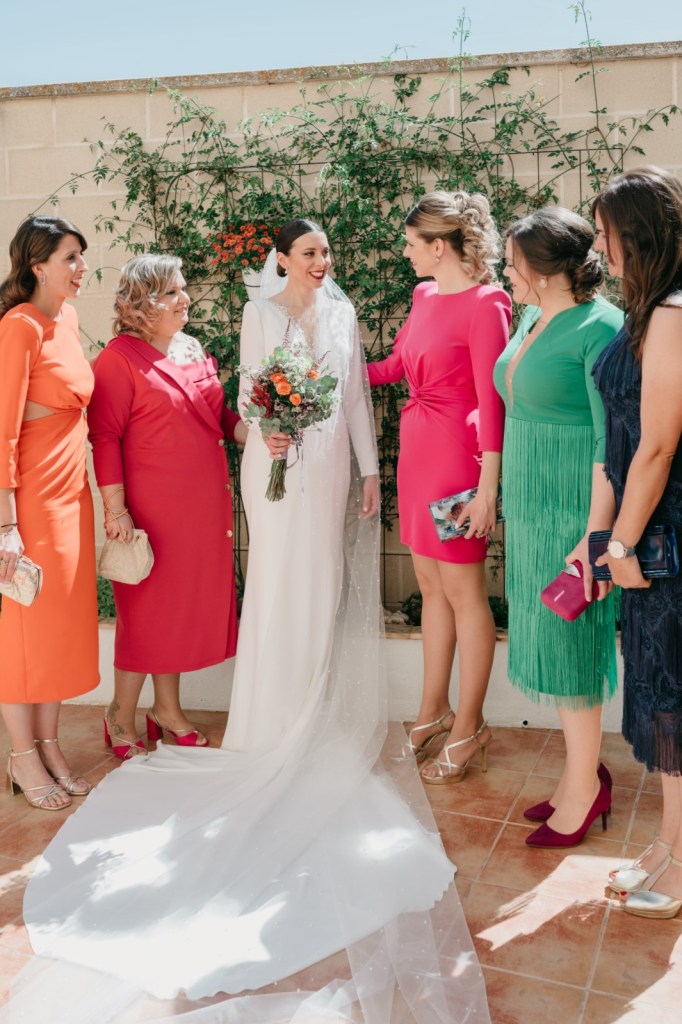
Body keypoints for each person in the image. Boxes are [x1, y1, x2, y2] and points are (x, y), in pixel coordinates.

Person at [10, 221, 487, 1024]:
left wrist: (349, 462)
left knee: (280, 594)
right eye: (310, 253)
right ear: (282, 261)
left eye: (327, 252)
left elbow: (304, 402)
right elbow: (206, 408)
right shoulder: (226, 322)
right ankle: (208, 719)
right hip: (238, 473)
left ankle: (254, 710)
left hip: (285, 472)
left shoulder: (305, 322)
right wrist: (254, 434)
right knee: (225, 595)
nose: (322, 262)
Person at [367, 190, 511, 784]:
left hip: (458, 462)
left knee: (463, 592)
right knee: (429, 585)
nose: (405, 253)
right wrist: (329, 371)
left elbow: (493, 401)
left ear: (439, 246)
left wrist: (487, 488)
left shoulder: (488, 303)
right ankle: (433, 712)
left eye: (410, 243)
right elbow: (395, 366)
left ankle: (469, 726)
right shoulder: (424, 295)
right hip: (418, 454)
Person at [493, 206, 623, 848]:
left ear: (543, 270)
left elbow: (609, 439)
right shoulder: (530, 315)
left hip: (575, 503)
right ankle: (582, 771)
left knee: (573, 643)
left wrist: (595, 535)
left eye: (512, 263)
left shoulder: (603, 327)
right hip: (530, 499)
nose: (505, 272)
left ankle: (584, 789)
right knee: (549, 632)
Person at [88, 255, 247, 757]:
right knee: (145, 616)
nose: (185, 299)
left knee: (174, 614)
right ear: (141, 303)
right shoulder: (117, 360)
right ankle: (120, 715)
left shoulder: (190, 347)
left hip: (200, 508)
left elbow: (217, 416)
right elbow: (104, 438)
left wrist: (260, 435)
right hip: (149, 512)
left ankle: (167, 711)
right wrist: (115, 510)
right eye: (172, 292)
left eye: (183, 288)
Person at [590, 167, 682, 918]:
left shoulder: (674, 312)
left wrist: (621, 548)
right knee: (660, 695)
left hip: (666, 534)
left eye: (607, 233)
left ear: (639, 234)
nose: (599, 246)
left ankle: (680, 862)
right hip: (646, 528)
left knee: (674, 697)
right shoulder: (651, 309)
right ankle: (670, 842)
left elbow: (656, 445)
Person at [0, 215, 98, 811]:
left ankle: (49, 744)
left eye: (81, 256)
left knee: (57, 628)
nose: (82, 267)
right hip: (29, 504)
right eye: (70, 258)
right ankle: (21, 755)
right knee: (23, 629)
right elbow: (3, 432)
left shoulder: (70, 319)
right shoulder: (19, 327)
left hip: (72, 496)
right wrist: (6, 525)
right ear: (38, 266)